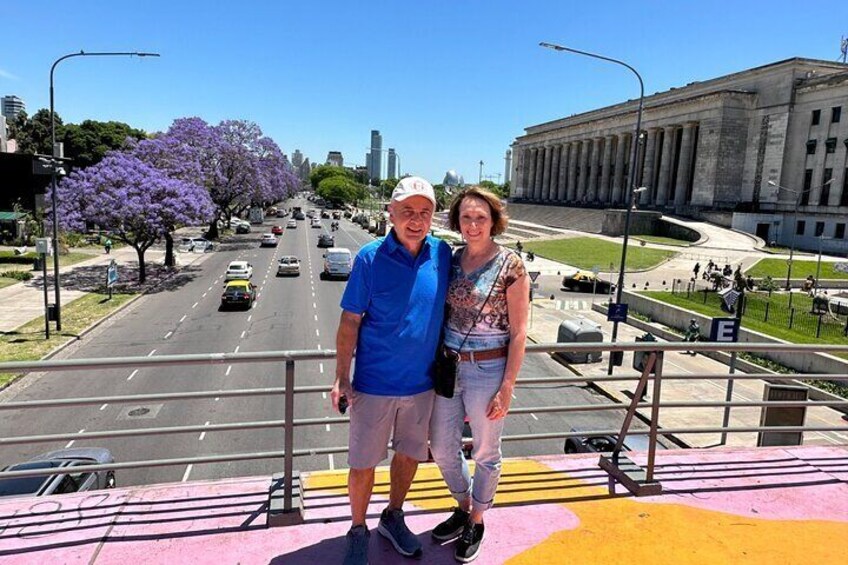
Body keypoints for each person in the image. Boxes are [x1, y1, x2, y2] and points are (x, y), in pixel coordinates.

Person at [333, 177, 452, 565]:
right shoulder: (369, 257)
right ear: (390, 213)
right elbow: (350, 321)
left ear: (433, 217)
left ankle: (393, 515)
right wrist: (341, 377)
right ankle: (356, 529)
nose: (416, 221)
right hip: (373, 386)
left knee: (408, 457)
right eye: (407, 212)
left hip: (422, 387)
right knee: (363, 463)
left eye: (424, 213)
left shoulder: (443, 254)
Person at [429, 186, 529, 563]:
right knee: (440, 446)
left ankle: (477, 519)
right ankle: (464, 503)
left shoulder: (511, 265)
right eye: (467, 217)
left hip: (489, 368)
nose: (473, 225)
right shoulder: (452, 259)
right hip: (449, 365)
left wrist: (507, 386)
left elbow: (519, 332)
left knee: (486, 451)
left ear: (494, 222)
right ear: (457, 221)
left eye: (481, 218)